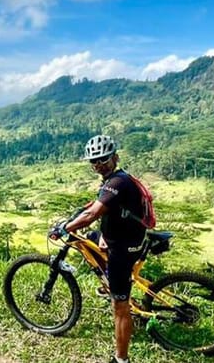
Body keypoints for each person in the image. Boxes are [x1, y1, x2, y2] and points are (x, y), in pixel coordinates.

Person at [52, 135, 147, 363]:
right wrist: (98, 229)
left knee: (120, 307)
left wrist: (66, 227)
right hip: (116, 236)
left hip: (124, 246)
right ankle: (110, 283)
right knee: (91, 239)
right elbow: (100, 207)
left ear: (115, 157)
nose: (98, 165)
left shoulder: (117, 182)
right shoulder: (111, 179)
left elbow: (93, 214)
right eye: (93, 161)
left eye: (103, 159)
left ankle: (121, 359)